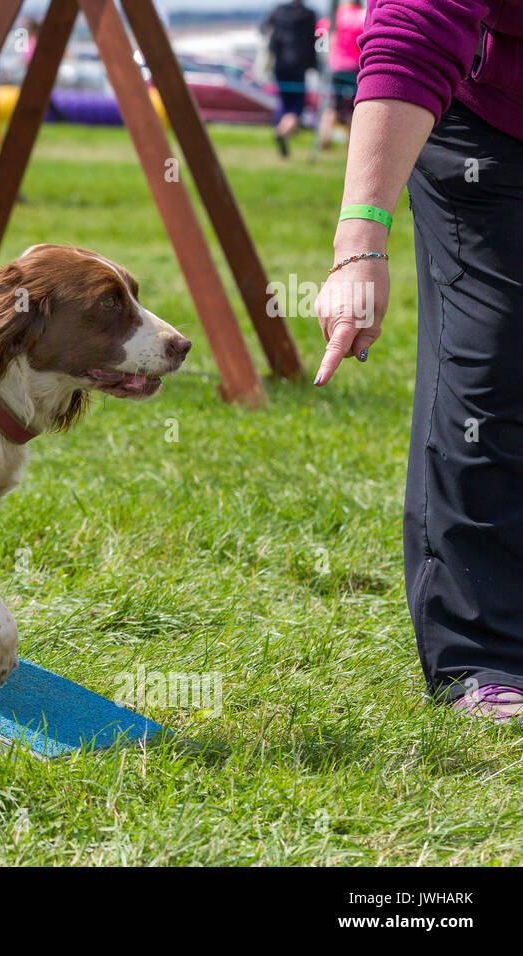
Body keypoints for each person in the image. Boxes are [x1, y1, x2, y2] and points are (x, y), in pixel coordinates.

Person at [312, 0, 523, 722]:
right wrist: (361, 243)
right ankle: (485, 657)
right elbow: (417, 26)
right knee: (493, 368)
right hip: (489, 130)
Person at [263, 0, 319, 156]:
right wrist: (316, 66)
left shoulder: (279, 10)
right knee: (297, 107)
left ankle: (282, 130)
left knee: (284, 101)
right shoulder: (308, 14)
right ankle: (282, 132)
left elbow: (264, 28)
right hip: (299, 65)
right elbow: (315, 40)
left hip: (280, 64)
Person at [315, 1, 364, 149]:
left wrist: (325, 55)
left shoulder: (333, 16)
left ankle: (324, 137)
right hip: (355, 67)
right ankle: (351, 143)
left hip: (335, 66)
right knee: (354, 106)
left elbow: (320, 34)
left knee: (333, 105)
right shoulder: (360, 17)